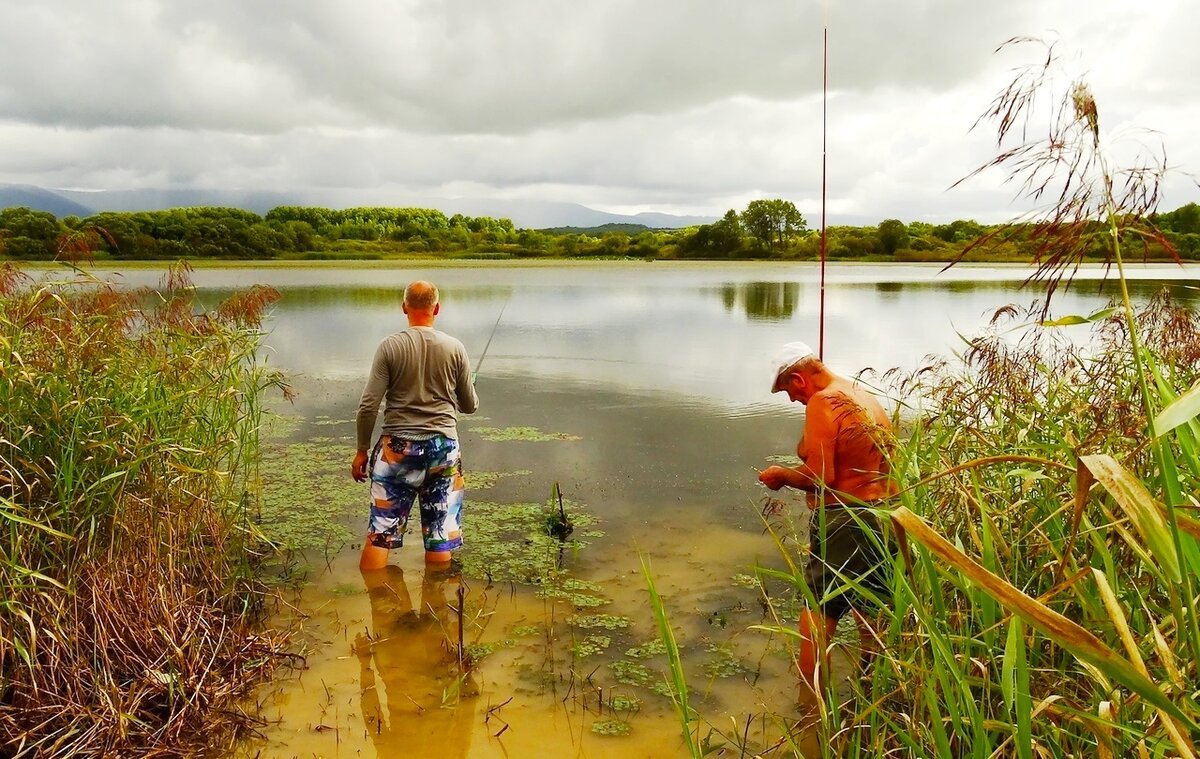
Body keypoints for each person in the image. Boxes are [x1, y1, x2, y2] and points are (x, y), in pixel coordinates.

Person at [757, 341, 897, 688]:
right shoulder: (860, 394)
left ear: (800, 380)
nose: (792, 399)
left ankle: (810, 698)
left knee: (819, 608)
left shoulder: (822, 401)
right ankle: (875, 686)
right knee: (871, 606)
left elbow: (821, 476)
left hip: (844, 520)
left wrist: (783, 475)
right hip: (881, 516)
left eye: (788, 390)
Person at [352, 280, 478, 570]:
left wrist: (361, 450)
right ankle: (437, 605)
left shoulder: (389, 347)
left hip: (397, 450)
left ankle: (377, 602)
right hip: (443, 449)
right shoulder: (455, 348)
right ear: (436, 308)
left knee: (380, 534)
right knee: (440, 535)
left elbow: (368, 405)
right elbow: (469, 405)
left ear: (404, 307)